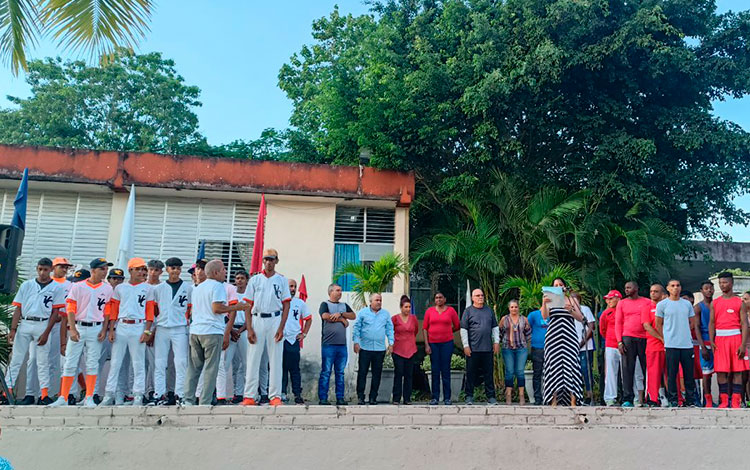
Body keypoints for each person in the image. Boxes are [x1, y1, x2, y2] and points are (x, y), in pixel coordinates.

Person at [50, 258, 114, 407]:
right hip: (79, 326)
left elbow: (107, 312)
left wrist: (104, 329)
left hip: (96, 327)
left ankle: (89, 397)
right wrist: (72, 328)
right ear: (93, 270)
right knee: (70, 363)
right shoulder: (78, 286)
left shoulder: (107, 288)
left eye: (106, 269)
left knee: (92, 363)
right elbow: (70, 308)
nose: (105, 272)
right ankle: (63, 397)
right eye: (102, 269)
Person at [183, 260, 245, 406]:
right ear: (216, 272)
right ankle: (205, 401)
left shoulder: (198, 287)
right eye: (223, 269)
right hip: (211, 331)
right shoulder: (218, 286)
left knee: (194, 368)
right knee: (211, 369)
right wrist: (237, 307)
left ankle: (188, 400)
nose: (225, 272)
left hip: (195, 331)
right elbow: (217, 308)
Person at [6, 258, 66, 405]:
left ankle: (43, 394)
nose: (42, 272)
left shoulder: (57, 288)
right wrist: (13, 329)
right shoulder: (27, 285)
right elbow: (18, 308)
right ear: (37, 269)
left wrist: (47, 332)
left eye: (45, 269)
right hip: (25, 322)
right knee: (17, 360)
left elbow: (55, 312)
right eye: (40, 269)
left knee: (42, 361)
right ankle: (7, 391)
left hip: (42, 323)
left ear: (50, 270)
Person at [100, 258, 156, 406]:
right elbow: (114, 311)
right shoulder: (120, 288)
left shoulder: (148, 288)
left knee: (138, 363)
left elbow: (150, 311)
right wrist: (111, 330)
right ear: (130, 270)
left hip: (138, 326)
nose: (141, 272)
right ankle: (109, 394)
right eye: (138, 269)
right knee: (116, 362)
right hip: (122, 325)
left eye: (143, 269)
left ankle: (138, 394)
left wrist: (147, 331)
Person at [241, 249, 291, 407]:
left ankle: (275, 396)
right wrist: (249, 328)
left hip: (275, 319)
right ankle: (249, 395)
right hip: (258, 319)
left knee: (276, 359)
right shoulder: (255, 280)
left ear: (276, 261)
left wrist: (282, 327)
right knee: (253, 358)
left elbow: (286, 304)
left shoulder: (282, 280)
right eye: (266, 259)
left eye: (272, 259)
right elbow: (248, 305)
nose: (268, 262)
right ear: (263, 261)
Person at [152, 257, 191, 405]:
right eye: (172, 268)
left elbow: (191, 308)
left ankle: (180, 394)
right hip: (162, 328)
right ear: (167, 270)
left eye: (177, 268)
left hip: (180, 328)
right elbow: (154, 310)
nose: (175, 271)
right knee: (160, 362)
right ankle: (159, 393)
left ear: (180, 270)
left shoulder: (188, 288)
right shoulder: (158, 289)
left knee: (181, 362)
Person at [542, 278, 584, 407]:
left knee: (570, 366)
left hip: (568, 337)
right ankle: (553, 399)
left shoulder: (571, 299)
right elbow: (544, 316)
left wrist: (570, 309)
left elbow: (581, 318)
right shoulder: (549, 300)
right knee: (554, 367)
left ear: (565, 287)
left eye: (560, 285)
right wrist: (544, 303)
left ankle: (573, 400)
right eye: (555, 285)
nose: (558, 286)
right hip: (553, 337)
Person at [709, 272, 749, 408]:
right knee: (721, 370)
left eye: (725, 282)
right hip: (720, 338)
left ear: (731, 283)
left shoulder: (739, 302)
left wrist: (743, 345)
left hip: (735, 337)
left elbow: (744, 324)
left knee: (738, 370)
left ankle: (736, 400)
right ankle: (724, 400)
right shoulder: (715, 303)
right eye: (720, 283)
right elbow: (712, 323)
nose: (722, 285)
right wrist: (711, 340)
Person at [655, 280, 697, 407]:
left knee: (689, 374)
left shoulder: (687, 304)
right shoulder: (662, 305)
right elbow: (658, 324)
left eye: (678, 285)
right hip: (671, 344)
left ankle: (690, 401)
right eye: (672, 286)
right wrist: (665, 338)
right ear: (668, 288)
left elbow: (692, 322)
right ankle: (673, 400)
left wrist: (683, 332)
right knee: (672, 374)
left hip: (686, 345)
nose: (675, 288)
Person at [353, 293, 394, 405]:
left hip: (379, 349)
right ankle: (361, 396)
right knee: (362, 373)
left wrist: (391, 343)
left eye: (380, 300)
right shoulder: (363, 313)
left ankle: (373, 397)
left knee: (377, 374)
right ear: (371, 301)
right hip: (365, 348)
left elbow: (390, 329)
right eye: (377, 300)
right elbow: (356, 328)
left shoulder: (385, 314)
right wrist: (356, 342)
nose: (379, 302)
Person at [461, 288, 500, 405]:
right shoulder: (468, 311)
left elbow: (495, 328)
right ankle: (469, 396)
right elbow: (463, 329)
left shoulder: (489, 311)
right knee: (470, 373)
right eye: (477, 295)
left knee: (488, 374)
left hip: (487, 348)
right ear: (472, 298)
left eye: (481, 295)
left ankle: (491, 397)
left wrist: (496, 342)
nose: (480, 297)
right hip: (473, 349)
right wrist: (466, 345)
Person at [318, 283, 355, 405]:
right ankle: (323, 398)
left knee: (340, 372)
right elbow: (325, 316)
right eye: (337, 290)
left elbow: (353, 315)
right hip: (328, 345)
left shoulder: (344, 306)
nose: (340, 292)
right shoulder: (325, 304)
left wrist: (342, 314)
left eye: (341, 290)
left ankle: (340, 398)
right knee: (326, 372)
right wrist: (342, 320)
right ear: (331, 292)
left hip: (342, 345)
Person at [615, 281, 651, 407]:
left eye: (629, 287)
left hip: (644, 338)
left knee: (647, 368)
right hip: (627, 338)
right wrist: (619, 341)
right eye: (625, 288)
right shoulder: (622, 303)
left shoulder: (647, 302)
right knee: (627, 369)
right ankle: (628, 398)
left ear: (636, 288)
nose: (626, 290)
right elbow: (618, 323)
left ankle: (649, 397)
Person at [422, 292, 459, 405]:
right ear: (434, 300)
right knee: (435, 370)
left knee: (446, 370)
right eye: (437, 298)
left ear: (444, 299)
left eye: (440, 297)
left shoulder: (451, 311)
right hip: (433, 344)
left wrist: (447, 332)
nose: (438, 299)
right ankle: (435, 397)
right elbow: (424, 328)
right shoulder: (429, 311)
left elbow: (457, 325)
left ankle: (447, 398)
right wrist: (427, 344)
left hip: (447, 343)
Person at [282, 278, 312, 404]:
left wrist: (304, 333)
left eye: (294, 286)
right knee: (281, 368)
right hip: (281, 339)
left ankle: (297, 394)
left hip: (293, 340)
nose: (292, 289)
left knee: (294, 369)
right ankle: (281, 392)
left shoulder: (300, 303)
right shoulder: (279, 302)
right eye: (290, 286)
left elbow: (308, 319)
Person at [498, 300, 531, 405]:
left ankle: (521, 395)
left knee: (520, 371)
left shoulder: (524, 319)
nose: (514, 309)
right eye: (512, 307)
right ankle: (508, 395)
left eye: (516, 307)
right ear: (509, 308)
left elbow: (528, 334)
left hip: (521, 348)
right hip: (507, 348)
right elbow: (499, 333)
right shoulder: (504, 319)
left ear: (518, 308)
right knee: (509, 371)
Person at [642, 283, 667, 406]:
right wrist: (661, 338)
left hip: (670, 345)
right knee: (653, 373)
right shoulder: (647, 308)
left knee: (672, 373)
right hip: (653, 345)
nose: (653, 293)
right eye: (651, 291)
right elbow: (647, 326)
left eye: (656, 291)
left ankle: (675, 398)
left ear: (662, 294)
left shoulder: (668, 307)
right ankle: (653, 398)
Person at [143, 259, 164, 403]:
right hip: (138, 326)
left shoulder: (163, 288)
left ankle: (151, 391)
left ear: (161, 272)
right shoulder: (142, 286)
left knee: (154, 362)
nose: (153, 273)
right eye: (150, 269)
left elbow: (161, 313)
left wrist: (152, 332)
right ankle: (138, 392)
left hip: (155, 327)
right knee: (138, 363)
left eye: (156, 270)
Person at [391, 295, 418, 405]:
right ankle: (396, 398)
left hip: (411, 349)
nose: (408, 309)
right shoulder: (395, 318)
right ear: (401, 307)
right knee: (398, 373)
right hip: (398, 350)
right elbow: (390, 331)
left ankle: (407, 398)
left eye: (409, 307)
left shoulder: (413, 318)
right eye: (405, 307)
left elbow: (415, 331)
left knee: (409, 375)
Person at [600, 290, 623, 406]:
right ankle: (610, 398)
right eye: (607, 299)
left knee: (627, 372)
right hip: (610, 345)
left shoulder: (624, 310)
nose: (608, 301)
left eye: (610, 299)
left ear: (618, 299)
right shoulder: (606, 313)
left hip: (625, 345)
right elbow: (602, 330)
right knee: (610, 372)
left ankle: (630, 397)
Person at [572, 292, 596, 405]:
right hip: (571, 346)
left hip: (585, 346)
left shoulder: (585, 309)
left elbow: (591, 327)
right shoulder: (567, 311)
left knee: (586, 370)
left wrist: (582, 342)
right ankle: (576, 396)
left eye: (575, 299)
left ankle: (589, 395)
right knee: (573, 372)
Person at [696, 281, 715, 406]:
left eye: (711, 288)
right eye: (706, 288)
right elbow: (697, 327)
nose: (709, 290)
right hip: (705, 342)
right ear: (701, 291)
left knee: (724, 372)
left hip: (718, 341)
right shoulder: (698, 307)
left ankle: (726, 397)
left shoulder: (717, 305)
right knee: (706, 373)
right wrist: (702, 346)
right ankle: (707, 399)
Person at [527, 306, 548, 406]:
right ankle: (537, 398)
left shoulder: (553, 314)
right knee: (537, 374)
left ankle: (549, 397)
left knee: (550, 374)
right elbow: (526, 328)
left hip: (551, 347)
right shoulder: (533, 315)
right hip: (537, 348)